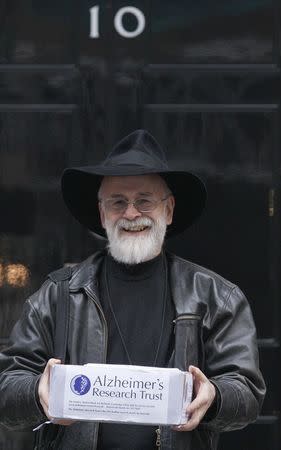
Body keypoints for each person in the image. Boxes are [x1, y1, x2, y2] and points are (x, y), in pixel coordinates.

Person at [0, 129, 265, 450]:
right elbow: (8, 388)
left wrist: (215, 396)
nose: (131, 213)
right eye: (117, 202)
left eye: (144, 200)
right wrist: (36, 392)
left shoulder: (216, 297)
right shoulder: (58, 294)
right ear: (101, 212)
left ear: (169, 209)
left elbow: (247, 393)